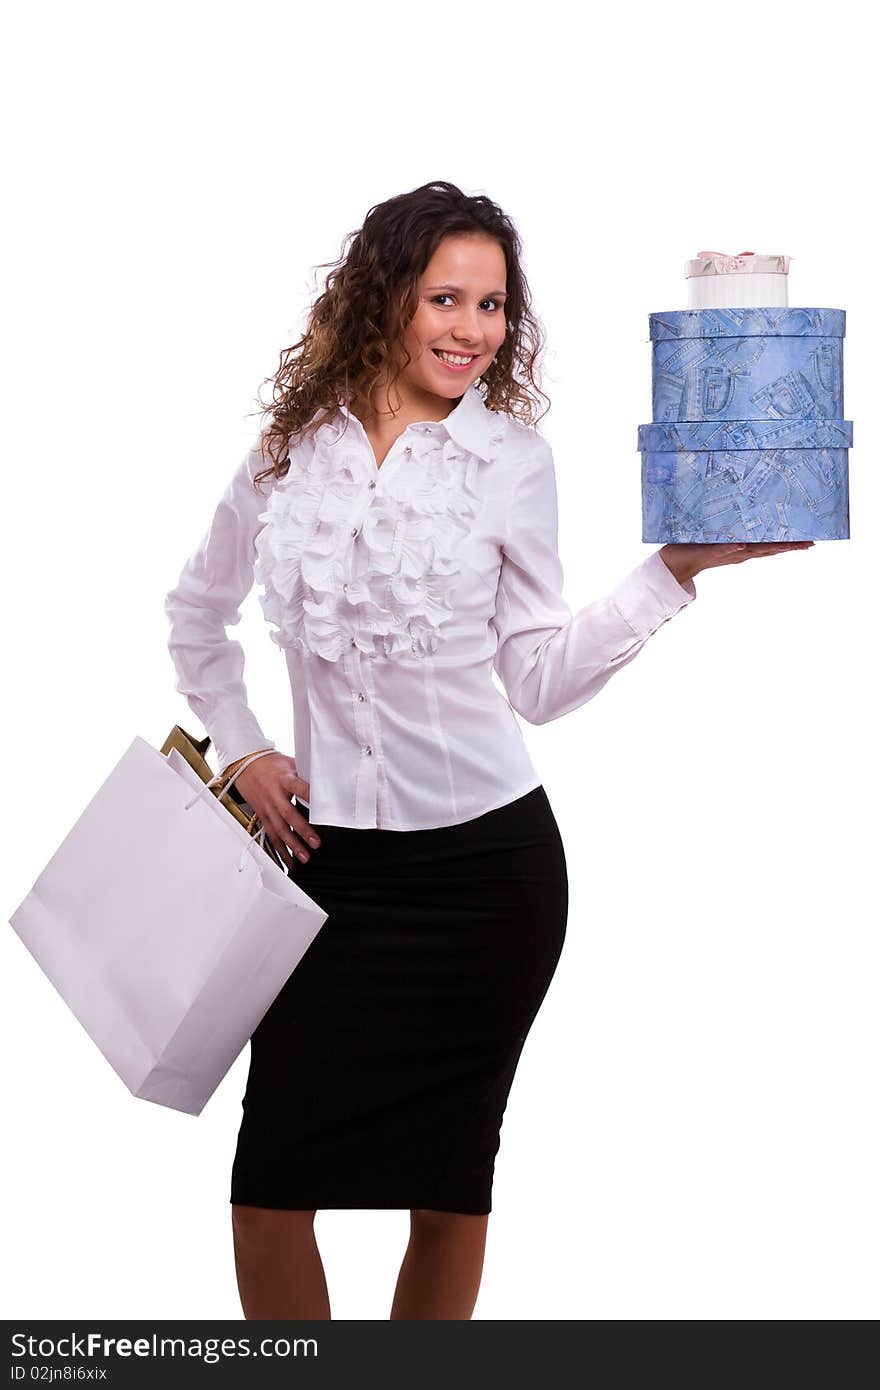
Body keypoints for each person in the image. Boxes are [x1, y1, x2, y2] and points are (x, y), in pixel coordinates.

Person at [163, 180, 814, 1321]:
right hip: (325, 876)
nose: (471, 329)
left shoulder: (512, 463)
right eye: (444, 298)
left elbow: (535, 679)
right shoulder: (283, 458)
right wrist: (249, 751)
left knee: (449, 1190)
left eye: (494, 306)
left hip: (486, 881)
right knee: (268, 1194)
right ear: (383, 302)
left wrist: (674, 573)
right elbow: (194, 616)